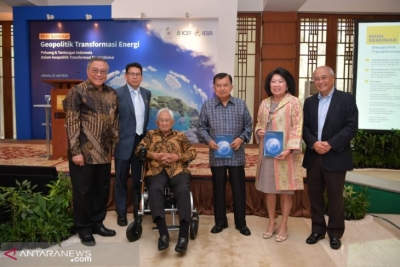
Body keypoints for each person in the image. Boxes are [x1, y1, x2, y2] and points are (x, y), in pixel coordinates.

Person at [63, 57, 119, 246]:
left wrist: (114, 146)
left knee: (101, 190)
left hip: (104, 152)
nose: (99, 74)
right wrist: (75, 151)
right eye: (95, 70)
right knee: (83, 191)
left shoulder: (111, 93)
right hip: (83, 153)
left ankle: (97, 223)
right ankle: (83, 228)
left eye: (103, 71)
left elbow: (115, 123)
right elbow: (71, 123)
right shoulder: (77, 92)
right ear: (88, 71)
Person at [303, 66, 358, 250]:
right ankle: (317, 230)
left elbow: (351, 127)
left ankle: (335, 233)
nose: (320, 82)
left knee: (335, 198)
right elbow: (304, 128)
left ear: (332, 78)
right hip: (314, 155)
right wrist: (314, 143)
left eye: (324, 77)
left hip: (336, 155)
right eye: (316, 79)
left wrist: (330, 143)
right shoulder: (309, 102)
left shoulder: (346, 99)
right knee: (315, 196)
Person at [198, 72, 253, 236]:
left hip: (236, 154)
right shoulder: (207, 106)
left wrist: (241, 139)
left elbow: (249, 126)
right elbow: (201, 128)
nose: (222, 88)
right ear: (214, 87)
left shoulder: (241, 105)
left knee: (239, 190)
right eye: (218, 85)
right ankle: (220, 222)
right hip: (217, 155)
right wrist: (208, 140)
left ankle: (241, 223)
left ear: (231, 86)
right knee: (218, 189)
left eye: (225, 85)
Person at [136, 108, 197, 253]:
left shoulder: (180, 136)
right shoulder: (150, 135)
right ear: (157, 122)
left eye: (167, 120)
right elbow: (139, 150)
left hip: (177, 170)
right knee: (154, 189)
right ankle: (163, 234)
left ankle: (183, 237)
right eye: (161, 120)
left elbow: (192, 152)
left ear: (172, 122)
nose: (164, 123)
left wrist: (178, 157)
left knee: (183, 190)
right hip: (156, 170)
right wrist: (155, 155)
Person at [254, 67, 304, 242]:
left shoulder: (294, 102)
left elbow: (298, 127)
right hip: (268, 152)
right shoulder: (265, 103)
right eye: (273, 81)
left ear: (287, 84)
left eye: (280, 81)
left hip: (286, 154)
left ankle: (284, 224)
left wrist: (289, 150)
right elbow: (259, 124)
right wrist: (259, 131)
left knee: (285, 191)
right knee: (269, 190)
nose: (276, 84)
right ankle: (271, 222)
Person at [114, 62, 151, 226]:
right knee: (121, 179)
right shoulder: (117, 94)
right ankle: (121, 213)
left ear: (141, 77)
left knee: (138, 179)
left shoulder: (146, 93)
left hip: (140, 143)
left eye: (138, 74)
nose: (135, 77)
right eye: (132, 74)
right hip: (122, 143)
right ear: (126, 76)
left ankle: (137, 211)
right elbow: (112, 120)